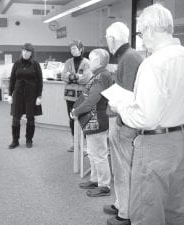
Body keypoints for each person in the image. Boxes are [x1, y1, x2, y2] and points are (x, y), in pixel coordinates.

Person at [109, 4, 184, 225]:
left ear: (151, 29)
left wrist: (120, 107)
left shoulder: (153, 63)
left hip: (156, 145)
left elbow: (145, 118)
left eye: (141, 33)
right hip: (183, 140)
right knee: (174, 209)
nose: (142, 40)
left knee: (147, 212)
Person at [103, 22, 143, 225]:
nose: (106, 42)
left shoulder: (127, 58)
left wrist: (111, 103)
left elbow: (125, 95)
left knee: (122, 170)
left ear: (112, 39)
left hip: (125, 124)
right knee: (120, 169)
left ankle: (125, 212)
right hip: (128, 122)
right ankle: (120, 203)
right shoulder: (132, 55)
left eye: (107, 38)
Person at [71, 49, 113, 197]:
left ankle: (104, 186)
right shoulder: (99, 75)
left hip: (97, 120)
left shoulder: (101, 77)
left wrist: (76, 111)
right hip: (93, 120)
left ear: (100, 61)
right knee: (93, 153)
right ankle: (95, 180)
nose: (88, 62)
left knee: (99, 154)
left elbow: (90, 101)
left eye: (92, 59)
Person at [8, 43, 43, 149]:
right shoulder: (17, 64)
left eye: (27, 51)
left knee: (30, 118)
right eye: (23, 51)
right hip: (18, 94)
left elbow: (40, 81)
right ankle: (15, 140)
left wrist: (39, 96)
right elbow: (12, 80)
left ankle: (29, 139)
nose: (25, 53)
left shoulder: (35, 64)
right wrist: (10, 94)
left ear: (31, 53)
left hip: (31, 95)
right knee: (15, 118)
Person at [61, 40, 91, 152]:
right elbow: (63, 76)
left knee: (84, 118)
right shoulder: (68, 62)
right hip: (69, 96)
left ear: (81, 49)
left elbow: (86, 79)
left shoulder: (87, 63)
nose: (72, 50)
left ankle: (85, 144)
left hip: (82, 96)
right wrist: (77, 77)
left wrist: (71, 77)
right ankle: (74, 143)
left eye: (75, 48)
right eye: (71, 49)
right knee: (71, 118)